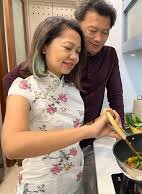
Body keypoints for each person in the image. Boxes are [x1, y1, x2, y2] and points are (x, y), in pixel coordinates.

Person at [3, 1, 124, 193]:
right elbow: (12, 145)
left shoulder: (71, 89)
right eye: (92, 30)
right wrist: (28, 107)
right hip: (42, 179)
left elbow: (116, 94)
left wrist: (115, 129)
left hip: (77, 164)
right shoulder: (27, 84)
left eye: (105, 32)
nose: (99, 38)